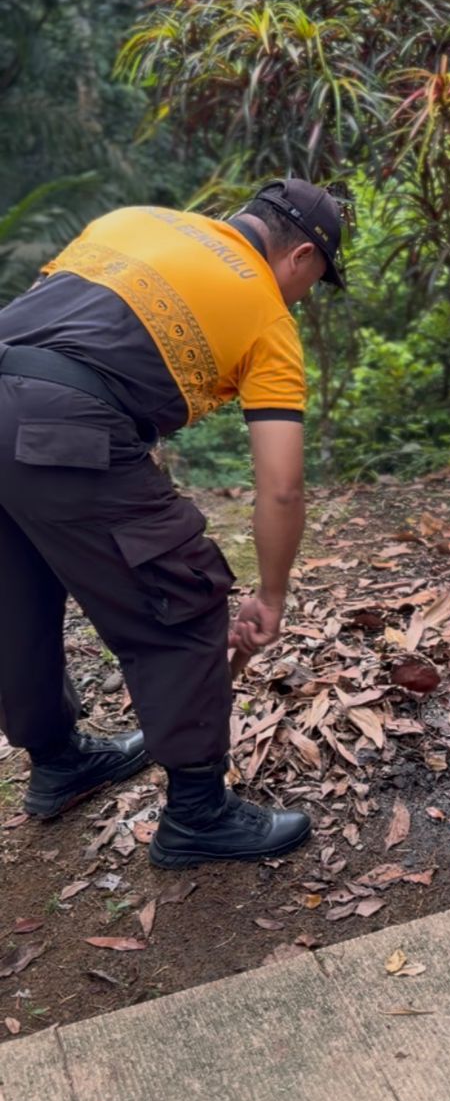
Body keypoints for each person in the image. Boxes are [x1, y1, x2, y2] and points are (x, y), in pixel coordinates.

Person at [0, 179, 345, 867]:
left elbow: (61, 335)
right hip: (59, 428)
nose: (307, 293)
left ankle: (58, 761)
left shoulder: (130, 217)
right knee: (179, 594)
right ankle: (198, 815)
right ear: (302, 256)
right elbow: (281, 487)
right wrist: (270, 595)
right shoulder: (266, 312)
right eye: (317, 279)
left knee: (17, 597)